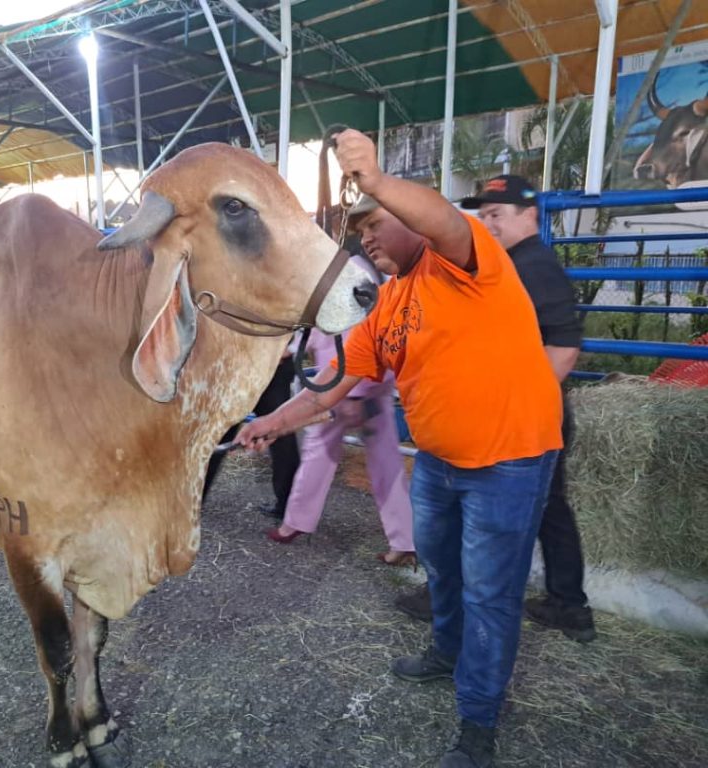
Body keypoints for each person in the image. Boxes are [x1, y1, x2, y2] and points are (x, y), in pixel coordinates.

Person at [236, 129, 563, 768]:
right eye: (360, 231)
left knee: (490, 594)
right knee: (442, 568)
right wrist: (272, 420)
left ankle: (477, 724)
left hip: (511, 459)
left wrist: (377, 180)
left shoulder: (468, 263)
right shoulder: (386, 309)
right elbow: (330, 390)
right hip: (440, 463)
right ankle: (446, 652)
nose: (368, 236)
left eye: (377, 223)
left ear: (412, 220)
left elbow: (445, 218)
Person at [394, 176, 596, 644]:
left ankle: (450, 595)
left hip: (520, 416)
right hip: (523, 413)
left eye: (497, 214)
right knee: (548, 509)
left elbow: (563, 348)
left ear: (531, 215)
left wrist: (514, 403)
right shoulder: (508, 263)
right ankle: (569, 604)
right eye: (483, 216)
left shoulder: (532, 266)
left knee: (474, 509)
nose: (488, 224)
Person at [266, 320, 415, 568]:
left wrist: (356, 394)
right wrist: (293, 348)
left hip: (347, 384)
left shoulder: (366, 285)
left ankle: (294, 523)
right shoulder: (377, 284)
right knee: (385, 463)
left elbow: (364, 332)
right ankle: (405, 541)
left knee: (321, 453)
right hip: (358, 382)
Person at [203, 355, 301, 517]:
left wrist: (289, 346)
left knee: (280, 435)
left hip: (265, 365)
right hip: (244, 365)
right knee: (220, 435)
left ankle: (289, 504)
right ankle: (289, 505)